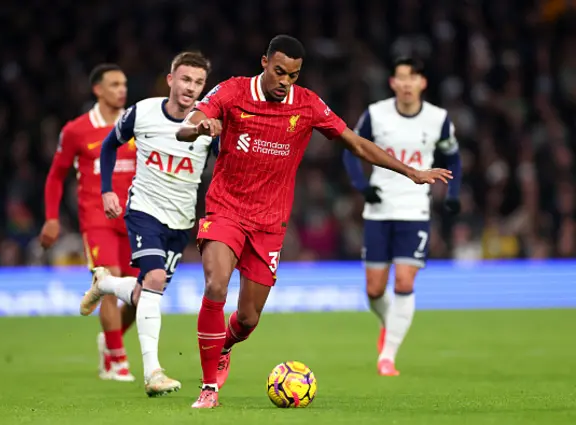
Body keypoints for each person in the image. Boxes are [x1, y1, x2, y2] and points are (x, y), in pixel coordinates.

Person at [175, 35, 453, 408]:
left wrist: (411, 172)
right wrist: (200, 127)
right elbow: (189, 122)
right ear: (264, 63)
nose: (285, 81)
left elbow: (356, 143)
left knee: (247, 318)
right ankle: (209, 387)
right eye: (278, 72)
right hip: (226, 210)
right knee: (216, 283)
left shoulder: (306, 104)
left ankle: (223, 346)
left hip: (270, 224)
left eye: (293, 74)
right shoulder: (234, 91)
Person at [79, 52, 218, 397]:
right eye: (185, 79)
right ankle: (153, 372)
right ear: (171, 80)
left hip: (181, 221)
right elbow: (109, 146)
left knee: (146, 293)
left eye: (199, 82)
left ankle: (107, 283)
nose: (191, 88)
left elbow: (225, 167)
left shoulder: (208, 125)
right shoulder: (142, 112)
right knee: (154, 280)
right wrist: (108, 190)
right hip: (144, 211)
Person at [343, 57, 462, 377]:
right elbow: (350, 149)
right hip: (379, 209)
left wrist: (452, 195)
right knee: (373, 290)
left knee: (405, 280)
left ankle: (387, 357)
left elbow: (453, 157)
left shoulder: (438, 119)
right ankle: (389, 322)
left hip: (414, 209)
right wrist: (362, 186)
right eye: (401, 78)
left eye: (413, 78)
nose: (407, 84)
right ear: (393, 83)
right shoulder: (376, 114)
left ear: (423, 83)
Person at [40, 64, 137, 382]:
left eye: (123, 83)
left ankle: (110, 341)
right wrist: (52, 218)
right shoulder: (76, 130)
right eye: (114, 84)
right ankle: (117, 362)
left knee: (141, 293)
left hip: (135, 219)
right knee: (110, 282)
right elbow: (56, 176)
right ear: (97, 89)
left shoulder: (138, 123)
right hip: (96, 218)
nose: (121, 89)